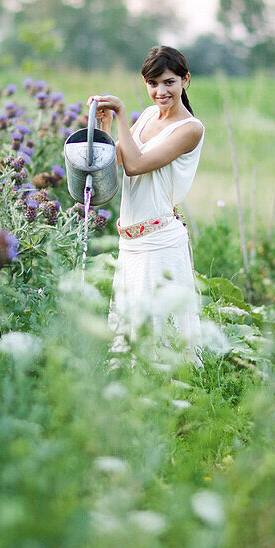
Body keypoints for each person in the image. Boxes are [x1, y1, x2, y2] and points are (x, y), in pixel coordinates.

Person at [89, 46, 205, 353]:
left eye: (169, 82)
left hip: (160, 242)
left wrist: (123, 112)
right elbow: (114, 158)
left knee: (161, 341)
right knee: (130, 336)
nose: (160, 91)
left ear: (185, 80)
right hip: (131, 239)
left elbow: (136, 164)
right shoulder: (150, 115)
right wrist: (106, 126)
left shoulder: (190, 128)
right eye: (153, 83)